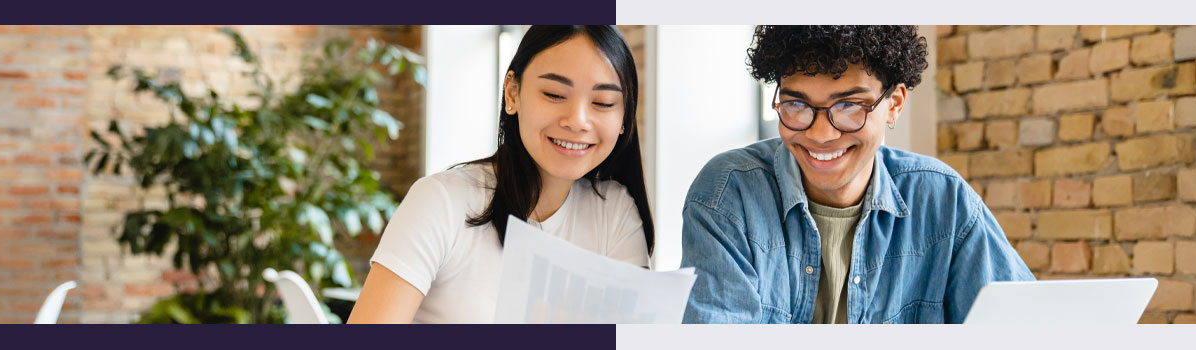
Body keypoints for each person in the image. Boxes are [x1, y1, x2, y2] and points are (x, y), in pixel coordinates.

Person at [680, 25, 1033, 324]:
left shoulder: (946, 202)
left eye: (848, 106)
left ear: (894, 104)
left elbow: (1024, 329)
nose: (820, 134)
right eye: (797, 105)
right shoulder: (728, 195)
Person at [348, 25, 653, 324]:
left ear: (624, 116)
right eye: (555, 94)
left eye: (603, 103)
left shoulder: (614, 212)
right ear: (513, 92)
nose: (577, 121)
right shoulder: (441, 201)